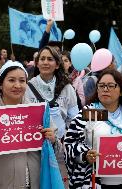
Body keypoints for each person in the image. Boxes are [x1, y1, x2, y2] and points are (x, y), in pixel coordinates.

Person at [64, 69, 122, 188]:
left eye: (111, 86)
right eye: (101, 86)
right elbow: (70, 145)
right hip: (98, 183)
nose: (105, 89)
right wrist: (85, 155)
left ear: (121, 91)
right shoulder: (89, 113)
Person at [24, 46, 79, 185]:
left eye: (50, 59)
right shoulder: (27, 87)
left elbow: (74, 121)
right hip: (35, 150)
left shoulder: (68, 88)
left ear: (57, 64)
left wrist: (62, 139)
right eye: (42, 59)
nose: (45, 62)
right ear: (36, 63)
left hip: (60, 149)